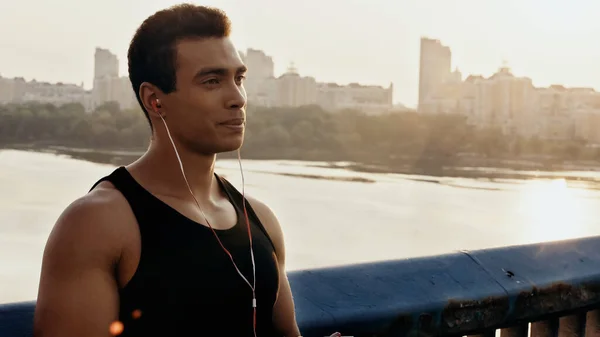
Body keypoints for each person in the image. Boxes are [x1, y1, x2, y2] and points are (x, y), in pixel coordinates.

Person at [33, 4, 340, 337]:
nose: (238, 98)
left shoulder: (260, 220)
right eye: (212, 81)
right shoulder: (98, 224)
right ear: (155, 100)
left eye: (239, 78)